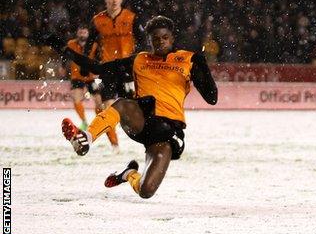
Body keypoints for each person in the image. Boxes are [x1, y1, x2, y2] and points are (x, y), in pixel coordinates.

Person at [58, 16, 217, 199]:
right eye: (155, 39)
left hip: (166, 132)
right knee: (123, 104)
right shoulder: (140, 60)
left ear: (172, 38)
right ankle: (85, 137)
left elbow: (212, 98)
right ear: (149, 41)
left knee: (146, 191)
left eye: (165, 37)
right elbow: (98, 68)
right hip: (141, 119)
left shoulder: (187, 60)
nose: (160, 42)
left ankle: (128, 174)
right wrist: (65, 51)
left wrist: (202, 64)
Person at [82, 0, 146, 152]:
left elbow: (144, 42)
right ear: (106, 0)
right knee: (108, 107)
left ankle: (146, 138)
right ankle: (115, 145)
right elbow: (89, 45)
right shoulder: (97, 21)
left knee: (134, 108)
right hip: (108, 69)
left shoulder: (131, 18)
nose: (114, 0)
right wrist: (85, 64)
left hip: (128, 69)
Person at [65, 25, 103, 131]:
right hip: (77, 76)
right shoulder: (71, 44)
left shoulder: (94, 45)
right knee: (76, 98)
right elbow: (66, 57)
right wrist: (63, 67)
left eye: (84, 33)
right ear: (77, 33)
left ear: (88, 34)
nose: (82, 35)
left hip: (92, 76)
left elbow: (100, 58)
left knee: (99, 102)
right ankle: (84, 122)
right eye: (80, 33)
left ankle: (99, 122)